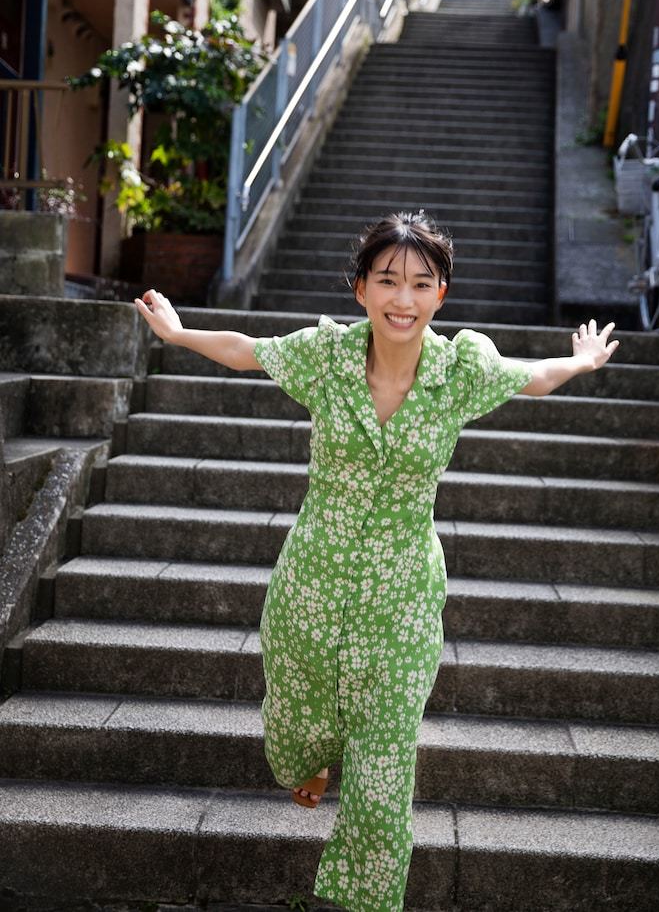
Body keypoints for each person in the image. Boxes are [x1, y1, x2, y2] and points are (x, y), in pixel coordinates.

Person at [134, 209, 620, 912]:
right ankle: (309, 761)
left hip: (403, 593)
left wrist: (581, 360)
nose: (403, 298)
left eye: (422, 283)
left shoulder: (460, 371)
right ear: (360, 288)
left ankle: (364, 898)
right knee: (294, 720)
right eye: (388, 280)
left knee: (386, 762)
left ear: (440, 295)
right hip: (313, 578)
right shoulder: (327, 357)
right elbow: (247, 349)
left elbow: (534, 376)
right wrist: (179, 334)